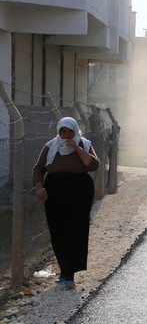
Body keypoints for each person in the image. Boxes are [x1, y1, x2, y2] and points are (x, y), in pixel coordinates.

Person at [32, 117, 100, 290]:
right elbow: (38, 168)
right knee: (58, 230)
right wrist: (40, 187)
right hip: (55, 191)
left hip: (79, 191)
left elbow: (93, 165)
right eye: (64, 131)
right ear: (59, 131)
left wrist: (76, 147)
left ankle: (70, 273)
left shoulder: (84, 144)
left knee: (75, 229)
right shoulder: (50, 146)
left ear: (76, 131)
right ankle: (64, 270)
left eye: (70, 131)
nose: (67, 135)